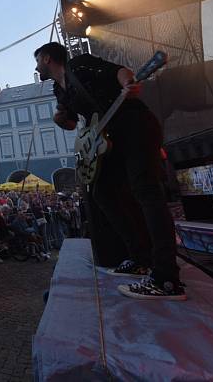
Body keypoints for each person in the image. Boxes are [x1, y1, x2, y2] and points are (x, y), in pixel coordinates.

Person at [35, 42, 184, 300]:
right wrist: (61, 121)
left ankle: (166, 277)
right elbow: (71, 124)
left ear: (47, 58)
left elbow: (118, 70)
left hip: (133, 124)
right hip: (107, 139)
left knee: (146, 191)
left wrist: (128, 83)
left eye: (37, 61)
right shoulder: (60, 91)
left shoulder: (79, 64)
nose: (35, 67)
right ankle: (140, 257)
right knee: (102, 193)